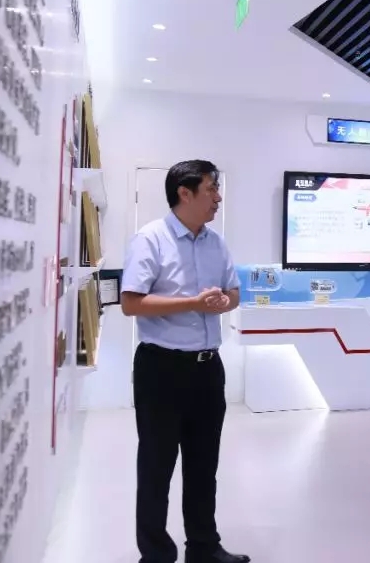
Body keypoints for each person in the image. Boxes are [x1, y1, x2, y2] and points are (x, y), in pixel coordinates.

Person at [120, 160, 249, 563]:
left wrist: (223, 301)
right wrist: (193, 302)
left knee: (203, 465)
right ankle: (156, 555)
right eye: (211, 189)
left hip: (208, 368)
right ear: (185, 193)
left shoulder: (216, 243)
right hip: (162, 369)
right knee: (156, 467)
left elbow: (233, 292)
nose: (218, 198)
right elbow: (131, 303)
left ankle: (204, 548)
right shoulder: (150, 239)